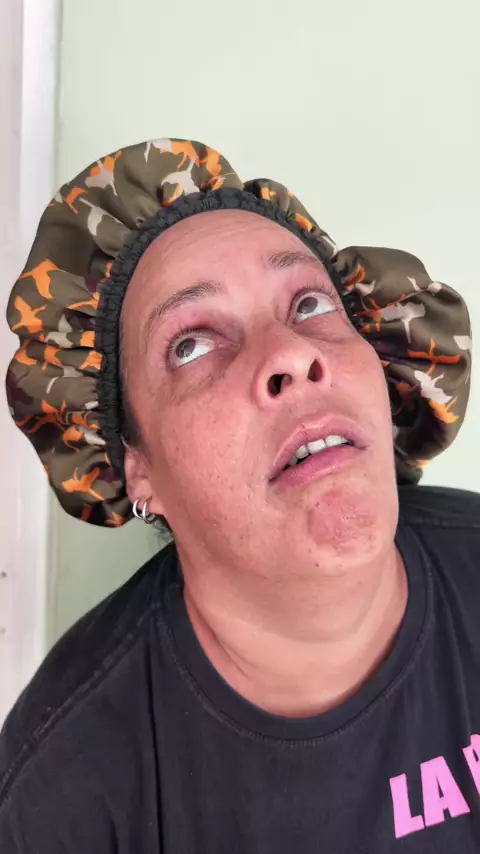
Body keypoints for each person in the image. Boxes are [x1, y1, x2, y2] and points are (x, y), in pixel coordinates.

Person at [0, 137, 478, 853]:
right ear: (134, 467)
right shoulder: (59, 799)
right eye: (191, 344)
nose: (291, 352)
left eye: (310, 303)